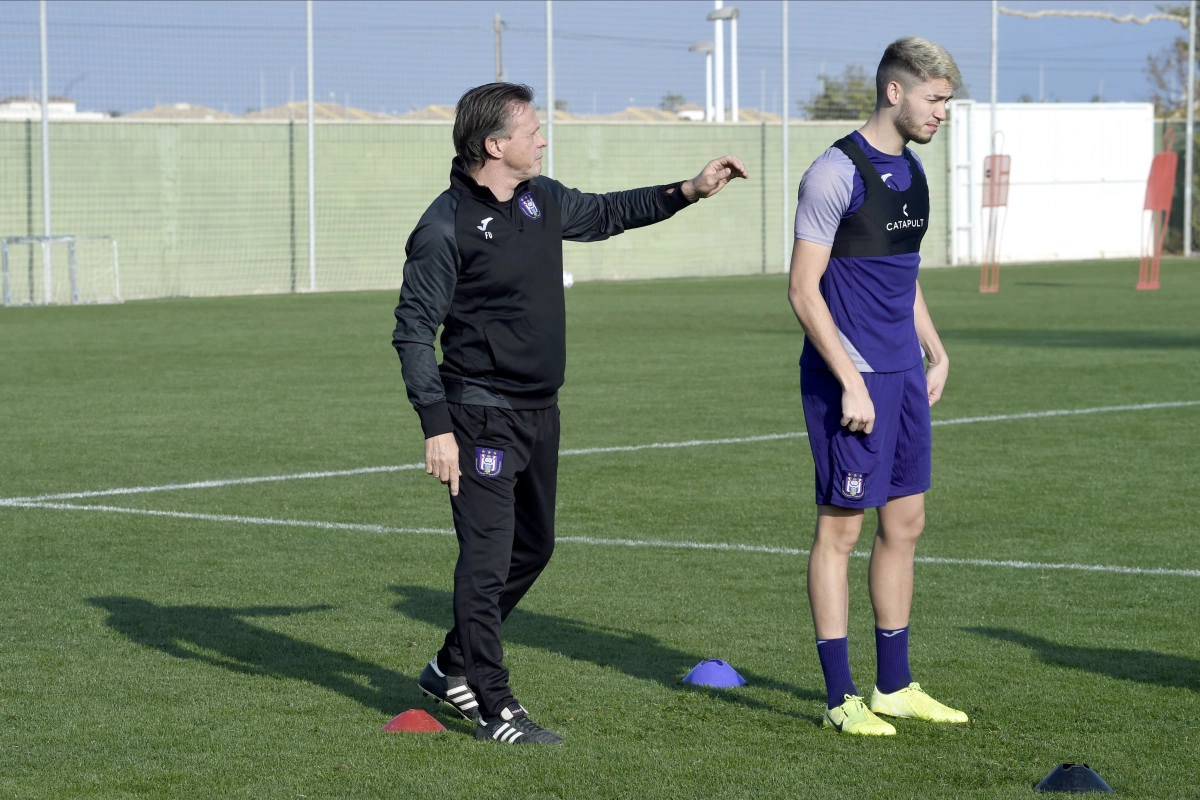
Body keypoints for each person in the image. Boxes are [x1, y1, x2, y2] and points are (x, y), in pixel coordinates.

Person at [392, 82, 746, 745]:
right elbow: (413, 332)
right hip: (478, 417)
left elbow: (610, 212)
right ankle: (492, 704)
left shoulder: (541, 199)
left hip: (539, 412)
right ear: (495, 145)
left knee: (535, 547)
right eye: (531, 131)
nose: (542, 139)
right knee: (487, 560)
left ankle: (451, 663)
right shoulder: (444, 227)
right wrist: (436, 426)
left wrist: (689, 190)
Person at [788, 37, 969, 736]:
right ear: (895, 91)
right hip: (850, 382)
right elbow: (804, 291)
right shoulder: (834, 172)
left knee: (906, 524)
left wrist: (936, 348)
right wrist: (849, 382)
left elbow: (903, 274)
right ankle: (841, 698)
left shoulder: (914, 172)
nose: (942, 113)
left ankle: (894, 686)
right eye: (935, 99)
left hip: (903, 375)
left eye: (947, 101)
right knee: (841, 532)